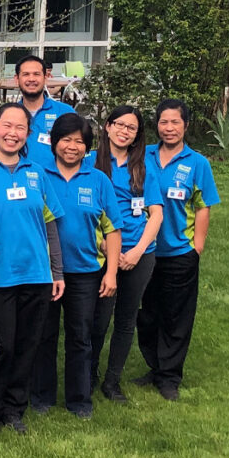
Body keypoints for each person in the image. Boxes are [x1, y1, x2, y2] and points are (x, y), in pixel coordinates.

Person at [0, 103, 65, 435]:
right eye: (7, 125)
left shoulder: (37, 172)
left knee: (26, 345)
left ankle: (14, 407)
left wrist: (57, 272)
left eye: (20, 128)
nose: (13, 133)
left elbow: (50, 225)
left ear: (28, 135)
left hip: (36, 274)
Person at [33, 113, 122, 419]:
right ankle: (41, 397)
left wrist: (111, 272)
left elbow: (113, 229)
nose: (72, 147)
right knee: (44, 335)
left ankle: (79, 400)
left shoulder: (98, 179)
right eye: (66, 139)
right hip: (45, 272)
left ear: (88, 147)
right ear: (54, 142)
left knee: (80, 336)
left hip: (86, 272)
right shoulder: (38, 175)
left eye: (79, 142)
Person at [135, 98, 220, 401]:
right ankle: (154, 365)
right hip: (143, 251)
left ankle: (169, 376)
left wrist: (197, 247)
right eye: (163, 122)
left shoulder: (197, 163)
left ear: (185, 125)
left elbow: (203, 206)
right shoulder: (141, 155)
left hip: (178, 253)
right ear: (156, 124)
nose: (169, 128)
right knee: (146, 315)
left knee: (176, 315)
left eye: (175, 122)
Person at [89, 106, 163, 403]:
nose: (124, 131)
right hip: (103, 251)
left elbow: (155, 214)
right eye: (119, 124)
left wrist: (136, 252)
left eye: (131, 128)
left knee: (126, 318)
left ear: (136, 135)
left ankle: (112, 381)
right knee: (98, 318)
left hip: (139, 253)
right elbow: (85, 212)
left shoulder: (143, 166)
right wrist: (109, 249)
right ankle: (89, 375)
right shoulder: (90, 163)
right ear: (107, 127)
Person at [14, 54, 74, 166]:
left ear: (45, 78)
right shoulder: (9, 114)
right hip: (18, 180)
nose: (31, 79)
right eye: (26, 74)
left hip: (55, 181)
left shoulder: (65, 112)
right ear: (17, 79)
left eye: (36, 74)